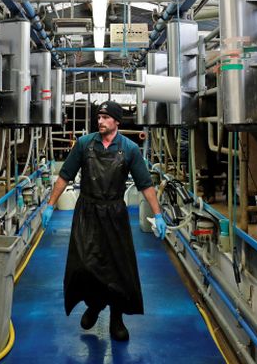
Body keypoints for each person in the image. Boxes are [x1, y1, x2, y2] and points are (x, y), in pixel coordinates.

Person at [41, 100, 167, 342]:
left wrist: (158, 214)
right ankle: (95, 306)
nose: (100, 121)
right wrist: (49, 205)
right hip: (87, 212)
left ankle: (116, 319)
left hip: (115, 214)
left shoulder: (130, 149)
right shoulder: (84, 144)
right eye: (98, 116)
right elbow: (64, 176)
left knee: (117, 269)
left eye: (106, 117)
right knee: (86, 265)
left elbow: (145, 185)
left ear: (117, 121)